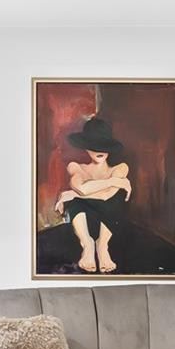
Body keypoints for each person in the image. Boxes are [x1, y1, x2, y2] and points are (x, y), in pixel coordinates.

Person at [54, 116, 133, 273]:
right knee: (76, 202)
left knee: (115, 198)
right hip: (84, 219)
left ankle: (102, 247)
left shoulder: (120, 168)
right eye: (94, 145)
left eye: (103, 145)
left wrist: (74, 194)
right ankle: (88, 245)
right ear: (85, 147)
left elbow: (107, 195)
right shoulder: (76, 167)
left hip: (109, 219)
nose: (99, 150)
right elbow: (82, 188)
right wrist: (113, 182)